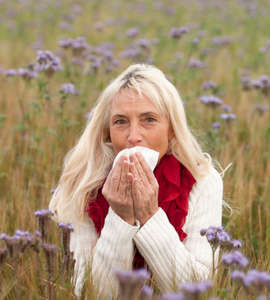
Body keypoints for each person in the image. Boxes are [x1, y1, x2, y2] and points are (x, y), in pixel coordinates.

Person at [49, 64, 223, 298]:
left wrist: (150, 214)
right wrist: (120, 217)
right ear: (107, 132)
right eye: (120, 121)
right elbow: (91, 294)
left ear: (171, 129)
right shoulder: (84, 184)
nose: (133, 137)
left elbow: (197, 291)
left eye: (149, 119)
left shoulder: (202, 181)